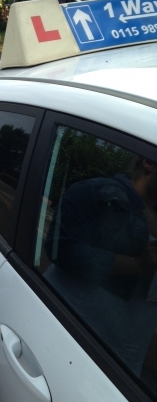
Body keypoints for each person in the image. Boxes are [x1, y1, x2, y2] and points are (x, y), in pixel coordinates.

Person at [44, 157, 157, 377]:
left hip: (128, 359)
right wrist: (136, 265)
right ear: (149, 162)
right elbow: (61, 248)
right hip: (74, 339)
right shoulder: (97, 192)